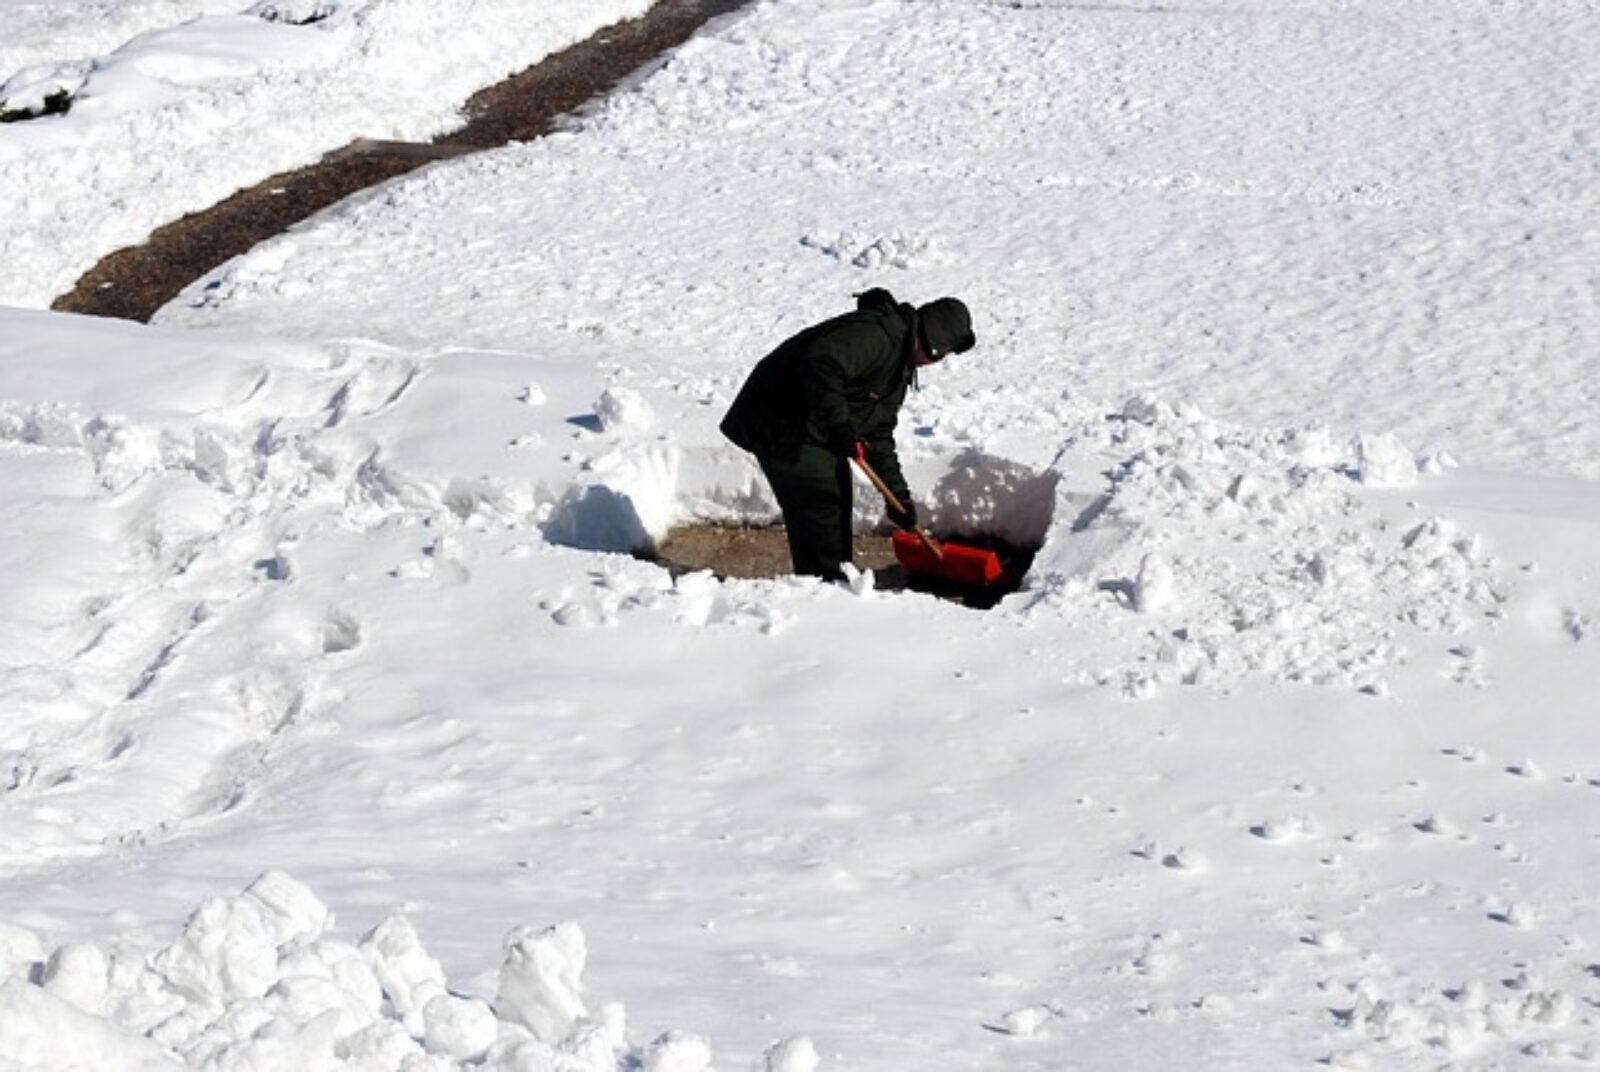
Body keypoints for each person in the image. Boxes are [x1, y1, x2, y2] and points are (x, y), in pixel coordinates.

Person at [720, 288, 975, 581]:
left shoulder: (900, 361)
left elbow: (878, 432)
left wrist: (898, 497)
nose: (929, 364)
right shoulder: (877, 335)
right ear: (931, 344)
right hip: (779, 419)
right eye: (933, 356)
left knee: (837, 495)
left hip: (814, 423)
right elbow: (821, 364)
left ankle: (836, 580)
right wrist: (840, 425)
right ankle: (823, 588)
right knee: (819, 502)